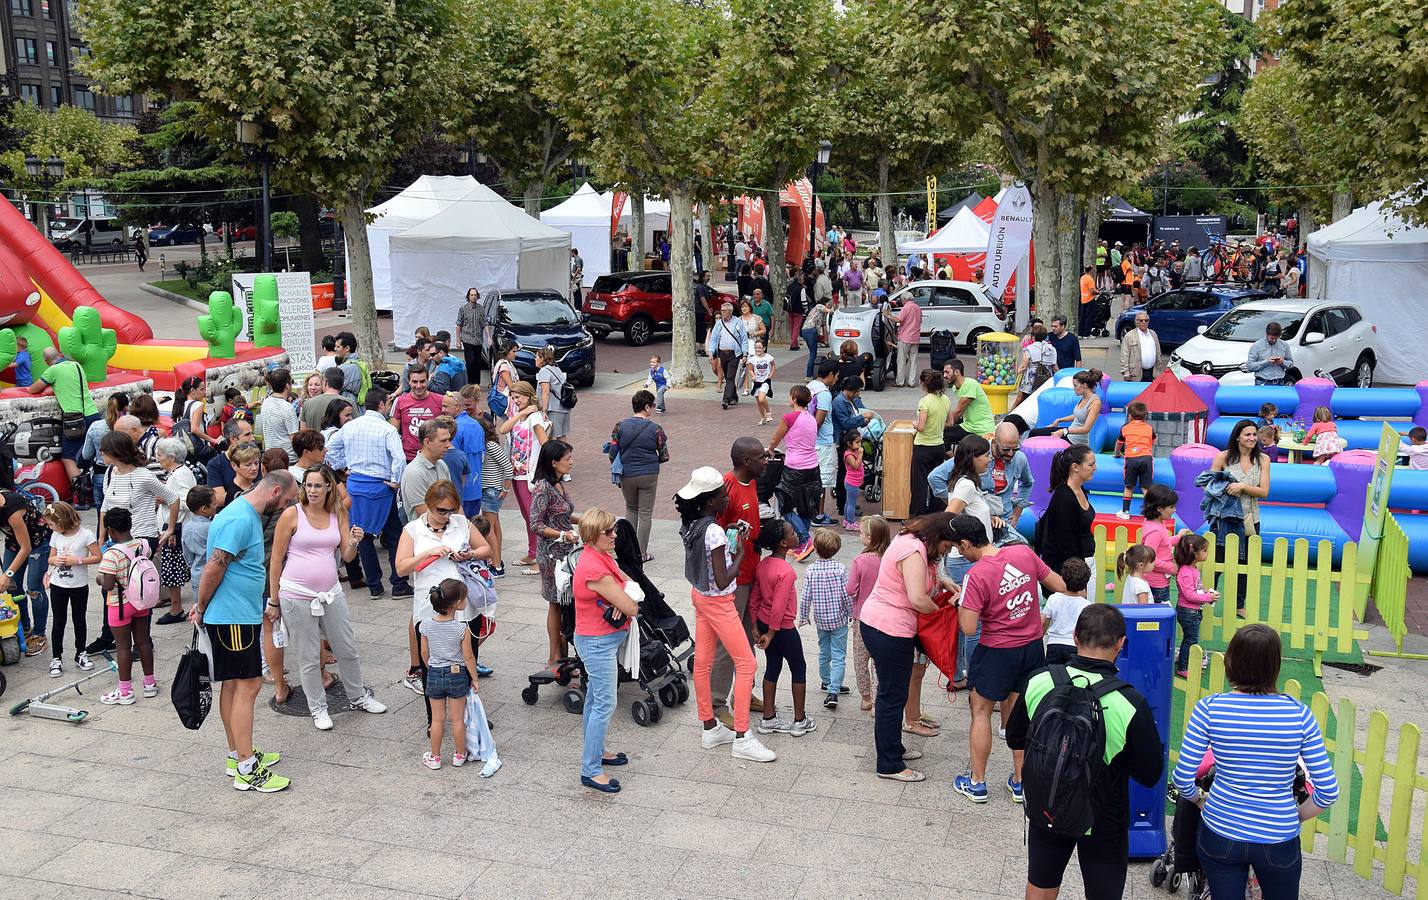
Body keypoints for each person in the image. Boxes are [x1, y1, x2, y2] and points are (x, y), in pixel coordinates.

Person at [1008, 604, 1164, 900]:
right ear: (1121, 643)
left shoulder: (1040, 681)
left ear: (1075, 636)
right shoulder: (1129, 702)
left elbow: (1016, 736)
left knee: (1040, 885)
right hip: (1103, 815)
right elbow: (1150, 773)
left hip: (1048, 802)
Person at [1173, 625, 1339, 899]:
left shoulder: (1209, 708)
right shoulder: (1299, 715)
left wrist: (1201, 800)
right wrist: (1293, 817)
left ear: (1230, 661)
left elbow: (1182, 779)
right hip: (1278, 836)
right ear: (1275, 666)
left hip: (1221, 828)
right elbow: (1328, 792)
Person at [190, 471, 298, 791]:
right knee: (248, 686)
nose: (286, 506)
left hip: (237, 615)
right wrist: (201, 606)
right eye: (287, 499)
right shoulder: (241, 519)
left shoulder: (242, 511)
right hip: (233, 618)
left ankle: (238, 754)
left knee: (235, 687)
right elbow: (215, 565)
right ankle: (246, 769)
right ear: (275, 491)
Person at [951, 514, 1067, 804]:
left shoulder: (975, 575)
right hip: (1031, 647)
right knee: (1019, 714)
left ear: (966, 544)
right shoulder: (1023, 552)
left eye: (958, 547)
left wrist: (959, 604)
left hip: (997, 650)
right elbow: (1059, 583)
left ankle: (977, 782)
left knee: (980, 711)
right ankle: (1021, 783)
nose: (958, 552)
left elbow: (967, 627)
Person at [268, 464, 385, 730]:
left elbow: (346, 556)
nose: (312, 490)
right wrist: (274, 599)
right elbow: (276, 558)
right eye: (308, 485)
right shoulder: (292, 514)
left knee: (346, 648)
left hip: (330, 592)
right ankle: (318, 707)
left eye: (318, 485)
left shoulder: (337, 512)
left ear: (329, 487)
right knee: (309, 655)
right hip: (296, 594)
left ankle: (357, 696)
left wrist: (355, 541)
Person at [678, 467, 777, 763]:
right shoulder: (713, 531)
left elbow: (709, 565)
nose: (726, 498)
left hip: (700, 598)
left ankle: (710, 726)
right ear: (710, 500)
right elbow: (723, 579)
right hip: (719, 601)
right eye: (722, 495)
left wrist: (729, 537)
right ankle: (743, 736)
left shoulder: (692, 523)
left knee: (704, 663)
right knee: (746, 664)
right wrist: (742, 550)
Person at [859, 512, 957, 782]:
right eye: (947, 546)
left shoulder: (909, 538)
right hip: (890, 629)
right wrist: (945, 611)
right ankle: (889, 764)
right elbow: (918, 599)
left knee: (894, 693)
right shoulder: (914, 550)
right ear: (939, 537)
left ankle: (894, 748)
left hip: (879, 624)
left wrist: (942, 582)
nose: (946, 551)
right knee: (891, 697)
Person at [570, 507, 640, 792]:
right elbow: (631, 604)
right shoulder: (595, 567)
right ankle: (591, 769)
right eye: (608, 531)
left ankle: (596, 754)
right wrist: (627, 597)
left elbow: (627, 585)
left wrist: (625, 592)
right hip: (597, 641)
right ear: (592, 535)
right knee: (604, 703)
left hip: (599, 639)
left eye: (614, 529)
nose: (615, 535)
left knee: (595, 701)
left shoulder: (597, 556)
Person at [325, 387, 412, 601]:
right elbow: (399, 459)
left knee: (361, 535)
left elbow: (330, 449)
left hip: (356, 484)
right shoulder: (387, 429)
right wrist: (395, 481)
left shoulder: (350, 426)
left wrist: (343, 467)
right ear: (382, 405)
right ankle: (399, 583)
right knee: (393, 535)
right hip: (380, 487)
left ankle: (374, 585)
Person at [709, 438, 765, 726]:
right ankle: (717, 704)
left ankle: (745, 694)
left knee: (748, 638)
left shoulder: (751, 482)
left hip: (751, 571)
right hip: (734, 579)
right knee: (727, 643)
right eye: (760, 458)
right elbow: (715, 535)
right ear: (745, 461)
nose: (765, 462)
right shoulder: (726, 488)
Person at [749, 519, 815, 736]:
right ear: (784, 544)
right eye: (793, 533)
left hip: (764, 622)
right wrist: (771, 633)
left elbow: (755, 598)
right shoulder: (786, 572)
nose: (797, 535)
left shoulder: (763, 565)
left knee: (773, 666)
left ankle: (768, 718)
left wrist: (755, 625)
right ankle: (800, 719)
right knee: (798, 667)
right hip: (782, 628)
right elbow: (779, 607)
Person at [94, 507, 160, 707]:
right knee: (143, 643)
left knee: (123, 647)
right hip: (141, 601)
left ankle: (125, 692)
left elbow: (108, 585)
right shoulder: (144, 545)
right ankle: (150, 684)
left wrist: (99, 578)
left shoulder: (111, 554)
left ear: (111, 531)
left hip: (119, 604)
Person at [1210, 419, 1270, 612]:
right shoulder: (1223, 458)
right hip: (1223, 517)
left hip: (1250, 519)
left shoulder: (1263, 460)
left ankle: (1239, 605)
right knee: (1216, 562)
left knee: (1245, 563)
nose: (1252, 438)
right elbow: (1209, 486)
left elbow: (1264, 492)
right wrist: (1226, 487)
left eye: (1255, 435)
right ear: (1237, 437)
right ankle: (1207, 599)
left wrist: (1243, 486)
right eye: (1248, 435)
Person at [419, 578, 478, 770]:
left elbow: (424, 653)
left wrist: (432, 668)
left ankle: (435, 757)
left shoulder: (425, 625)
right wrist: (474, 678)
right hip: (457, 674)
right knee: (457, 719)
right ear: (458, 604)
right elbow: (468, 657)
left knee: (437, 719)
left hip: (435, 673)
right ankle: (460, 754)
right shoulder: (462, 628)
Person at [530, 440, 579, 666]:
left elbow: (565, 514)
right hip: (551, 555)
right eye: (567, 459)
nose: (571, 462)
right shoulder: (542, 488)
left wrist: (589, 520)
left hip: (567, 553)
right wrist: (562, 535)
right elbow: (536, 525)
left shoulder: (558, 484)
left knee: (568, 602)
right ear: (553, 462)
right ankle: (555, 656)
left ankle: (565, 652)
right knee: (556, 603)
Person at [606, 390, 668, 557]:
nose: (653, 409)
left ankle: (628, 550)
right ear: (646, 407)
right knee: (646, 513)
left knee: (631, 508)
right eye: (652, 405)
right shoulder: (656, 429)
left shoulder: (620, 426)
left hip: (627, 473)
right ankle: (641, 553)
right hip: (649, 474)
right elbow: (664, 455)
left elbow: (613, 451)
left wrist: (617, 466)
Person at [42, 501, 98, 677]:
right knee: (58, 621)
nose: (50, 528)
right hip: (59, 584)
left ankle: (80, 652)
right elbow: (50, 559)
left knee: (79, 620)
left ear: (62, 521)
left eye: (52, 524)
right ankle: (56, 657)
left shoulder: (86, 535)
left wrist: (78, 560)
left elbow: (97, 556)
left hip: (79, 585)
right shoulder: (56, 536)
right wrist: (54, 561)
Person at [798, 528, 852, 710]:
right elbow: (847, 595)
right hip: (838, 619)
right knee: (839, 655)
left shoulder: (811, 570)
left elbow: (806, 596)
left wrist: (803, 616)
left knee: (824, 651)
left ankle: (826, 681)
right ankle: (833, 691)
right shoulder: (840, 569)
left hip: (821, 619)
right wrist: (852, 613)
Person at [766, 385, 820, 560]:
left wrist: (770, 449)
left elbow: (776, 437)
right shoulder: (811, 418)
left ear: (795, 399)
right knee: (805, 507)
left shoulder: (789, 417)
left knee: (785, 505)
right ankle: (800, 545)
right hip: (812, 467)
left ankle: (805, 539)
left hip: (794, 468)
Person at [499, 381, 550, 569]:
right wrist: (520, 413)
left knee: (535, 517)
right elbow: (503, 429)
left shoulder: (535, 417)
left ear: (528, 396)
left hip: (530, 474)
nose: (515, 401)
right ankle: (532, 552)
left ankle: (541, 558)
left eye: (518, 397)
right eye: (513, 398)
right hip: (517, 473)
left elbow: (546, 443)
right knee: (527, 515)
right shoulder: (520, 415)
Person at [31, 346, 99, 484]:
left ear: (46, 361)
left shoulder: (53, 370)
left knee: (68, 458)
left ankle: (80, 495)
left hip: (74, 420)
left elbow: (33, 389)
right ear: (60, 354)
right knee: (91, 455)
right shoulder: (77, 365)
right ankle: (93, 492)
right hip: (92, 414)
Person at [0, 484, 53, 656]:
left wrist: (7, 574)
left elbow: (26, 547)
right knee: (12, 586)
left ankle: (39, 633)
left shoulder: (12, 510)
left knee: (33, 587)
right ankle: (23, 626)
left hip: (38, 543)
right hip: (13, 542)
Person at [1037, 445, 1099, 590]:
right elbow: (1064, 542)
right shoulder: (1064, 497)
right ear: (1075, 467)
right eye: (1091, 464)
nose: (1095, 468)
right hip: (1074, 568)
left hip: (1085, 560)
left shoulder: (1081, 489)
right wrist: (1078, 579)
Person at [844, 514, 889, 712]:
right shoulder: (889, 559)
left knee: (861, 658)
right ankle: (878, 698)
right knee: (880, 661)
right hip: (884, 618)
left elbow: (850, 589)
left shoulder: (860, 561)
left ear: (870, 538)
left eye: (862, 533)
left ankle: (866, 697)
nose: (860, 536)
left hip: (862, 617)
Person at [152, 437, 197, 625]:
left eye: (160, 455)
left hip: (176, 529)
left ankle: (176, 608)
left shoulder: (179, 475)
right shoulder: (178, 472)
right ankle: (175, 606)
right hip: (174, 528)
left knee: (172, 570)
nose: (157, 458)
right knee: (172, 570)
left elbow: (189, 502)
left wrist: (166, 499)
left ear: (171, 457)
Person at [1174, 533, 1219, 676]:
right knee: (1190, 640)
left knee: (1191, 639)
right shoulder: (1186, 572)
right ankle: (1183, 668)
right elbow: (1189, 595)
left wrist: (1204, 592)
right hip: (1188, 611)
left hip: (1192, 611)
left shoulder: (1192, 569)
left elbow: (1193, 590)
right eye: (1205, 550)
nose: (1207, 553)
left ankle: (1185, 663)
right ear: (1194, 553)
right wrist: (1208, 597)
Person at [909, 369, 952, 517]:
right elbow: (950, 422)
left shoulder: (925, 401)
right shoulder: (945, 399)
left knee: (919, 483)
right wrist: (938, 425)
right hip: (939, 445)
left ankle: (916, 515)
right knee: (936, 480)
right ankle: (937, 512)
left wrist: (915, 424)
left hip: (923, 446)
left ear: (923, 383)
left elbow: (921, 427)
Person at [478, 414, 513, 578]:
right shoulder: (488, 445)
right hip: (491, 489)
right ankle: (497, 560)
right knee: (495, 526)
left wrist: (505, 489)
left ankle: (496, 566)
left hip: (491, 490)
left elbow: (508, 466)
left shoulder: (490, 446)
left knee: (488, 528)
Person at [1028, 369, 1102, 444]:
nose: (1073, 388)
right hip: (1068, 433)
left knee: (1037, 435)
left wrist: (1064, 431)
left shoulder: (1095, 403)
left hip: (1075, 440)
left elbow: (1086, 429)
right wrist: (1059, 420)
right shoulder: (1084, 397)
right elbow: (1078, 415)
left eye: (1075, 385)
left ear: (1084, 385)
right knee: (1034, 433)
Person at [1040, 558, 1091, 666]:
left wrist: (1040, 637)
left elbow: (1044, 622)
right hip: (1074, 645)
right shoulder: (1086, 605)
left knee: (1054, 674)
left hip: (1054, 644)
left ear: (1062, 578)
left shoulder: (1054, 598)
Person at [399, 419, 452, 519]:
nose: (448, 445)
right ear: (427, 442)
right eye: (443, 441)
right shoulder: (414, 473)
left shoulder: (442, 465)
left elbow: (453, 502)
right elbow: (428, 517)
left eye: (449, 440)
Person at [1139, 484, 1182, 604]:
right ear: (1159, 508)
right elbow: (1149, 558)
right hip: (1156, 583)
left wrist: (1178, 538)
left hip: (1157, 580)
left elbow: (1163, 543)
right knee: (1161, 615)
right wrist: (1172, 568)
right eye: (1172, 507)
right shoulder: (1155, 531)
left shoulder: (1154, 523)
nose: (1174, 510)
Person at [391, 367, 444, 462]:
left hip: (434, 457)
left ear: (428, 380)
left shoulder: (440, 400)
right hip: (408, 458)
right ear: (409, 382)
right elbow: (393, 433)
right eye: (415, 382)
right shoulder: (400, 401)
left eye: (422, 381)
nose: (419, 386)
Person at [1114, 400, 1155, 518]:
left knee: (1129, 486)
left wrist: (1117, 454)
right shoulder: (1149, 428)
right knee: (1146, 487)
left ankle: (1125, 512)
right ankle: (1150, 513)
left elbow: (1119, 444)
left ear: (1130, 416)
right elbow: (1151, 442)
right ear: (1145, 416)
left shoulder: (1125, 427)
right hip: (1146, 458)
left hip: (1131, 458)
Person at [706, 302, 750, 409]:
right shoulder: (719, 324)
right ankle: (733, 396)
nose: (722, 312)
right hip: (722, 353)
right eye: (721, 310)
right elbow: (714, 339)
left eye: (724, 311)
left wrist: (745, 354)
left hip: (734, 353)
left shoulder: (738, 322)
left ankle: (726, 399)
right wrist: (711, 352)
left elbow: (744, 339)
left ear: (730, 312)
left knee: (730, 376)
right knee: (727, 375)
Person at [945, 359, 995, 446]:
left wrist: (940, 424)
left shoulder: (970, 384)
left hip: (982, 429)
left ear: (957, 372)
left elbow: (959, 411)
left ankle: (956, 459)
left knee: (942, 435)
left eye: (947, 372)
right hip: (969, 425)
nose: (944, 375)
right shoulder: (955, 387)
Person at [256, 369, 299, 463]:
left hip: (271, 455)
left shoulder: (265, 402)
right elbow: (294, 438)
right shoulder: (287, 407)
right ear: (287, 385)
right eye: (291, 382)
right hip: (287, 457)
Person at [1014, 323, 1058, 408]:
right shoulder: (1052, 349)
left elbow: (1023, 367)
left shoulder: (1029, 349)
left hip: (1030, 382)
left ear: (1033, 337)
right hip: (1047, 381)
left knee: (1024, 402)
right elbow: (1055, 368)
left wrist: (1015, 375)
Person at [534, 345, 571, 438]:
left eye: (536, 357)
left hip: (554, 409)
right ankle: (566, 453)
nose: (535, 359)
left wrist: (544, 411)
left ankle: (558, 453)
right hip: (564, 407)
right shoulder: (556, 368)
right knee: (561, 436)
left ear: (542, 358)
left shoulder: (544, 371)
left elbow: (545, 392)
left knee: (551, 436)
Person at [1242, 321, 1294, 386]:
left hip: (1280, 382)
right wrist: (1267, 361)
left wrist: (1283, 362)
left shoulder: (1284, 345)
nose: (1274, 340)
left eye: (1276, 338)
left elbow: (1291, 364)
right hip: (1262, 383)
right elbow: (1250, 366)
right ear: (1266, 334)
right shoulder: (1256, 346)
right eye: (1272, 338)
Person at [301, 367, 347, 432]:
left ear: (323, 385)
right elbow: (303, 432)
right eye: (310, 385)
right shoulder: (305, 404)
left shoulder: (336, 402)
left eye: (317, 385)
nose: (313, 387)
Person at [456, 287, 485, 387]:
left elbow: (484, 324)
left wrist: (489, 337)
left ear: (477, 296)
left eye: (475, 295)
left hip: (478, 340)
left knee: (477, 362)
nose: (473, 297)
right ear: (468, 296)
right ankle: (469, 383)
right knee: (470, 361)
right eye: (471, 295)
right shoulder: (463, 309)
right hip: (467, 339)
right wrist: (458, 340)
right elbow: (458, 324)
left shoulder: (481, 308)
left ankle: (477, 383)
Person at [1119, 312, 1161, 381]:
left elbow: (1158, 353)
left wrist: (1159, 370)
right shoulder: (1129, 336)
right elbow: (1124, 356)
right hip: (1136, 374)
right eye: (1141, 320)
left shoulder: (1153, 334)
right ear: (1136, 322)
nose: (1144, 322)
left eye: (1146, 320)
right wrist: (1126, 373)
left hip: (1152, 373)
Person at [893, 293, 923, 388]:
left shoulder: (906, 307)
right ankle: (911, 382)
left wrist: (888, 315)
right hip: (915, 337)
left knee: (901, 360)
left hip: (905, 337)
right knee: (913, 361)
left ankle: (900, 382)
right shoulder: (917, 308)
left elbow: (899, 320)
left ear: (904, 299)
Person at [801, 292, 832, 379]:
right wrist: (835, 309)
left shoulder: (820, 313)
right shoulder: (819, 306)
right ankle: (808, 375)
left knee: (813, 352)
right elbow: (829, 310)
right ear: (825, 303)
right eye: (829, 304)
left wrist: (824, 339)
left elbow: (823, 326)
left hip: (807, 331)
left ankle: (810, 373)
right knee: (813, 354)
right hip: (810, 330)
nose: (829, 305)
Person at [745, 340, 776, 426]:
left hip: (765, 381)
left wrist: (771, 373)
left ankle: (768, 412)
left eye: (759, 348)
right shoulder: (752, 359)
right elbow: (750, 369)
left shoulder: (768, 357)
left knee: (761, 399)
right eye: (756, 348)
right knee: (758, 402)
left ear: (764, 348)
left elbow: (773, 365)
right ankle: (763, 418)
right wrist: (753, 375)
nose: (757, 350)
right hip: (756, 382)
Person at [840, 429, 863, 531]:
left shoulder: (853, 451)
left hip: (853, 482)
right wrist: (861, 454)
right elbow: (856, 466)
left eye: (860, 442)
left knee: (848, 502)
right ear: (849, 443)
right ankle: (851, 522)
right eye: (857, 442)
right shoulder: (849, 455)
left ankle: (846, 520)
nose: (859, 444)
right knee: (851, 504)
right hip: (851, 483)